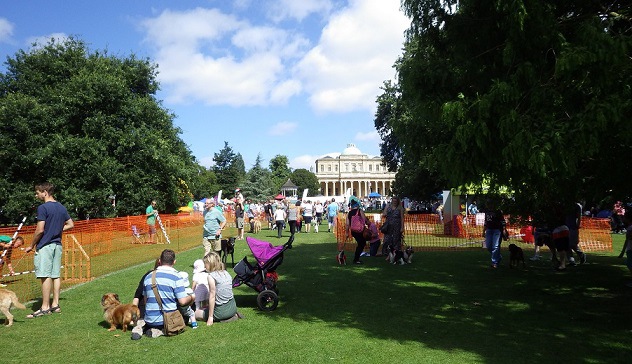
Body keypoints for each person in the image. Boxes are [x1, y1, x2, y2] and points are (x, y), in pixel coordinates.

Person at [25, 182, 74, 318]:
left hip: (45, 246)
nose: (37, 195)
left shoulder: (43, 208)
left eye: (38, 192)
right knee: (55, 275)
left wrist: (31, 245)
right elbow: (71, 224)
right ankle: (55, 305)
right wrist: (57, 230)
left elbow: (40, 230)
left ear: (45, 192)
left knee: (45, 275)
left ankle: (45, 307)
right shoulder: (61, 207)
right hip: (57, 245)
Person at [133, 249, 194, 339]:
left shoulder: (149, 276)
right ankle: (161, 331)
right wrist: (192, 297)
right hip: (167, 320)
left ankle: (142, 327)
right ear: (174, 262)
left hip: (149, 318)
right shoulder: (176, 276)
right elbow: (182, 301)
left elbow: (146, 301)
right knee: (184, 317)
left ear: (160, 261)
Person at [204, 252, 241, 324]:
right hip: (233, 308)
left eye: (205, 263)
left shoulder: (211, 276)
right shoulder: (225, 273)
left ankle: (217, 317)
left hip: (221, 312)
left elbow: (212, 296)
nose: (204, 266)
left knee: (197, 313)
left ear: (210, 263)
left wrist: (210, 317)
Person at [346, 196, 368, 264]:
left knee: (360, 243)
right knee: (362, 244)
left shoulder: (349, 213)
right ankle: (356, 259)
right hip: (360, 230)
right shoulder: (360, 211)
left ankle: (356, 258)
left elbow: (347, 224)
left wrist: (347, 232)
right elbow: (364, 219)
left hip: (353, 231)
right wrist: (367, 225)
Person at [617, 207, 632, 287]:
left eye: (624, 217)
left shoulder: (630, 228)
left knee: (630, 264)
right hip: (630, 249)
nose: (623, 219)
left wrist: (622, 252)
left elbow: (628, 239)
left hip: (631, 249)